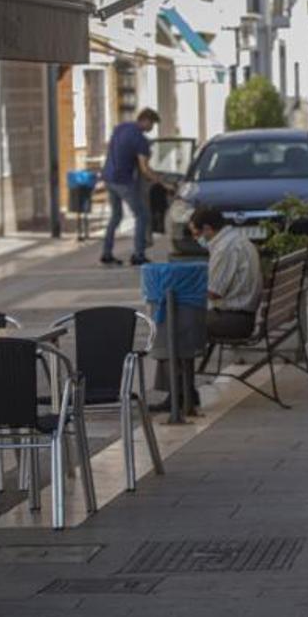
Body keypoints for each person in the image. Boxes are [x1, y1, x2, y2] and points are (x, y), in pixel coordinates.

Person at [150, 206, 263, 412]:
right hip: (239, 314)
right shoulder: (235, 241)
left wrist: (183, 292)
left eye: (196, 233)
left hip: (233, 320)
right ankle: (183, 393)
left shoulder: (225, 248)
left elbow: (214, 292)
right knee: (177, 325)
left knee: (171, 329)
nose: (196, 239)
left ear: (208, 229)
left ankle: (178, 396)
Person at [101, 108, 163, 266]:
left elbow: (116, 149)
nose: (152, 128)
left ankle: (106, 254)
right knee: (142, 215)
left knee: (116, 216)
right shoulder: (140, 140)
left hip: (108, 177)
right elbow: (144, 169)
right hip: (123, 181)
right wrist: (160, 181)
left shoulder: (120, 128)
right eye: (152, 124)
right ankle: (138, 254)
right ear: (146, 121)